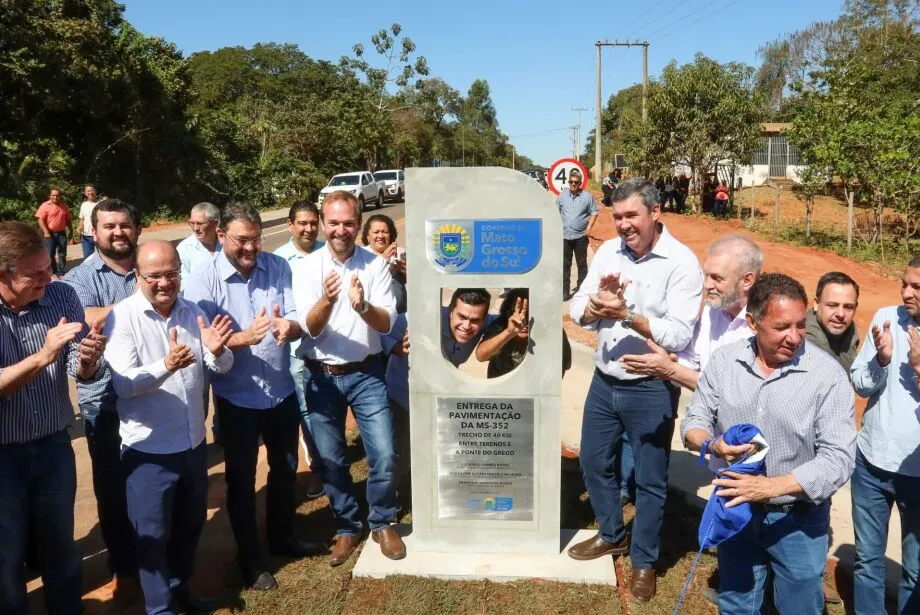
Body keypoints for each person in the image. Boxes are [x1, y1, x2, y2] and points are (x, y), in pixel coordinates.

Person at [681, 273, 856, 615]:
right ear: (753, 322)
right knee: (736, 603)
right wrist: (714, 446)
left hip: (798, 522)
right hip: (737, 514)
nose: (794, 337)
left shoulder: (827, 376)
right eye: (781, 327)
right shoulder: (725, 361)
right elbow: (693, 422)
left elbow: (838, 458)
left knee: (799, 608)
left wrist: (769, 488)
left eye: (800, 325)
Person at [567, 178, 704, 604]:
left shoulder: (681, 263)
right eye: (617, 216)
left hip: (651, 388)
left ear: (655, 212)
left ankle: (644, 561)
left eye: (632, 215)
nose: (624, 225)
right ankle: (612, 534)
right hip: (604, 381)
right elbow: (577, 309)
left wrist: (628, 314)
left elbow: (680, 335)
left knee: (649, 480)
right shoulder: (608, 251)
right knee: (592, 462)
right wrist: (595, 305)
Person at [185, 202, 319, 592]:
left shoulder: (277, 266)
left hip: (280, 391)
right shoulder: (203, 279)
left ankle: (282, 538)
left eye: (256, 239)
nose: (250, 248)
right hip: (237, 399)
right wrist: (244, 338)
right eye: (242, 240)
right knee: (241, 482)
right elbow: (202, 340)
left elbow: (295, 315)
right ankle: (251, 560)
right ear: (222, 236)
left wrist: (287, 325)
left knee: (285, 468)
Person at [105, 240, 234, 615]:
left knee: (190, 525)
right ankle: (159, 609)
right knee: (152, 537)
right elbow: (124, 384)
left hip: (192, 445)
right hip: (149, 451)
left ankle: (181, 588)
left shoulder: (192, 312)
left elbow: (220, 367)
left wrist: (220, 350)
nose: (164, 283)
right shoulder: (123, 317)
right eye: (155, 276)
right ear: (138, 277)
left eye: (171, 274)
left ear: (180, 272)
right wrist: (166, 365)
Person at [0, 221, 107, 615]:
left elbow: (78, 369)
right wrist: (42, 357)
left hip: (52, 445)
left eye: (49, 267)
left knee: (61, 546)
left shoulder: (61, 295)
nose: (50, 277)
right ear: (3, 275)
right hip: (2, 457)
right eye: (36, 274)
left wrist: (89, 361)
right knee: (6, 557)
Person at [293, 190, 402, 567]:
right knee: (331, 459)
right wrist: (327, 300)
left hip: (366, 374)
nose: (341, 229)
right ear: (323, 223)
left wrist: (363, 306)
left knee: (384, 455)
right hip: (321, 377)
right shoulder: (306, 268)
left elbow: (386, 322)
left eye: (348, 223)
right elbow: (307, 327)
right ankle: (346, 526)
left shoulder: (374, 265)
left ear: (359, 224)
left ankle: (382, 520)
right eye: (334, 222)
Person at [62, 198, 141, 601]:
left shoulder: (149, 266)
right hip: (104, 400)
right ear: (93, 232)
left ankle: (156, 562)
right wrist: (142, 305)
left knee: (152, 482)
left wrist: (110, 313)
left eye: (124, 225)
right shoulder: (80, 277)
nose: (118, 233)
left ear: (136, 228)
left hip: (150, 394)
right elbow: (84, 318)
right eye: (108, 227)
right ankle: (124, 568)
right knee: (112, 491)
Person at [849, 256, 920, 615]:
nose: (906, 293)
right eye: (904, 284)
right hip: (870, 464)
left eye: (917, 287)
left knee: (916, 571)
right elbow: (860, 385)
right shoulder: (886, 318)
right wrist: (881, 360)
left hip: (917, 477)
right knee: (867, 561)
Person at [382, 288, 495, 511]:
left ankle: (430, 497)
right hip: (402, 396)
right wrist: (395, 347)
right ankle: (393, 502)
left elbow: (505, 320)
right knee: (399, 455)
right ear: (450, 311)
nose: (466, 326)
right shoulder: (415, 319)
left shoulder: (486, 323)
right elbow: (380, 334)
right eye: (461, 317)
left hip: (438, 399)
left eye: (475, 320)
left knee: (438, 452)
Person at [274, 200, 326, 500]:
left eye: (312, 222)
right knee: (306, 410)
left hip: (328, 346)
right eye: (301, 223)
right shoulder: (280, 260)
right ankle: (319, 469)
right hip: (296, 349)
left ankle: (334, 462)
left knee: (331, 405)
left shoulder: (328, 253)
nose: (308, 228)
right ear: (290, 225)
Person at [474, 289, 572, 378]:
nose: (522, 320)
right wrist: (508, 333)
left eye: (529, 314)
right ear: (507, 314)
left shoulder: (551, 330)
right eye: (514, 312)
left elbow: (563, 364)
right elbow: (481, 356)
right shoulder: (500, 326)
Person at [557, 169, 598, 301]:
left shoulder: (587, 196)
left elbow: (594, 212)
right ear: (568, 182)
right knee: (565, 264)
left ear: (580, 183)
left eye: (576, 182)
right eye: (571, 182)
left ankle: (582, 290)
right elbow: (555, 212)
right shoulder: (562, 196)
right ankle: (564, 292)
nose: (573, 184)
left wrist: (589, 228)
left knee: (582, 264)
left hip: (581, 236)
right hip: (564, 237)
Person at [807, 271, 860, 372]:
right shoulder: (805, 345)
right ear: (817, 304)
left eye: (848, 307)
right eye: (832, 305)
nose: (840, 314)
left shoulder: (849, 328)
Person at [361, 213, 406, 314]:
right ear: (368, 236)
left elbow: (414, 282)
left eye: (385, 232)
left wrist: (402, 270)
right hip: (376, 316)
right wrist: (383, 261)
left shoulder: (399, 252)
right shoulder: (362, 255)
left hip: (400, 315)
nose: (380, 236)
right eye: (376, 232)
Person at [177, 202, 222, 290]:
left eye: (200, 224)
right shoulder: (184, 248)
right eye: (192, 223)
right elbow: (181, 283)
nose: (195, 228)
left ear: (215, 223)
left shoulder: (227, 244)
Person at [35, 187, 74, 277]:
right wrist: (46, 231)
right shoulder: (45, 205)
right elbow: (40, 220)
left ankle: (61, 271)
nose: (55, 197)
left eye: (57, 195)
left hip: (61, 233)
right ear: (50, 196)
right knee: (49, 253)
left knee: (62, 253)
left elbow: (68, 220)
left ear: (60, 196)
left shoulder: (64, 206)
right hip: (50, 233)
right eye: (53, 195)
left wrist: (71, 232)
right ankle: (53, 270)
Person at [78, 184, 100, 258]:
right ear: (85, 193)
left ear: (95, 191)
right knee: (88, 258)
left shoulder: (101, 204)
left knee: (102, 257)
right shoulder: (84, 204)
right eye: (88, 191)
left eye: (92, 190)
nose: (90, 192)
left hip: (99, 235)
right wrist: (80, 226)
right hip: (86, 236)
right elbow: (82, 219)